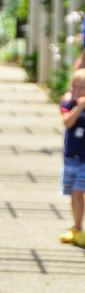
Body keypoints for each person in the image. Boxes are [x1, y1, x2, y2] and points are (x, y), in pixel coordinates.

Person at [59, 68, 85, 247]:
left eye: (82, 88)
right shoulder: (68, 104)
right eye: (74, 87)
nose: (77, 91)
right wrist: (79, 107)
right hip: (71, 157)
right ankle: (77, 228)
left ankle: (78, 227)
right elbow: (67, 122)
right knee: (74, 194)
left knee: (79, 191)